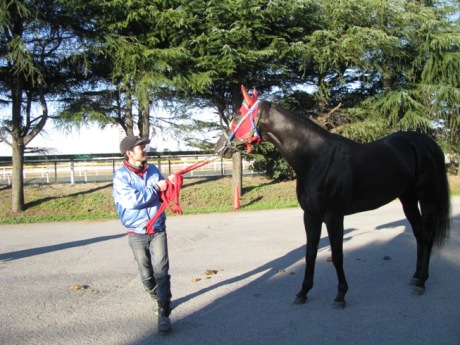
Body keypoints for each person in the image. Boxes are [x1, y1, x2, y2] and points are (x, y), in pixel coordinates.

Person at [112, 135, 173, 333]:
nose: (145, 150)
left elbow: (163, 191)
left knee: (161, 270)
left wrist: (170, 183)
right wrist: (156, 187)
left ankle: (164, 312)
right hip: (136, 232)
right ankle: (157, 296)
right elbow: (131, 201)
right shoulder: (120, 176)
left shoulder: (153, 169)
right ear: (129, 153)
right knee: (147, 274)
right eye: (141, 147)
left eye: (144, 146)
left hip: (157, 229)